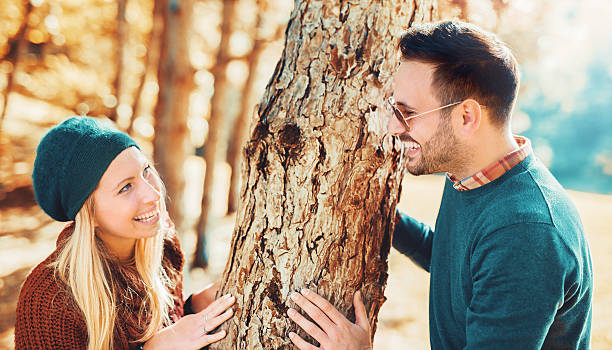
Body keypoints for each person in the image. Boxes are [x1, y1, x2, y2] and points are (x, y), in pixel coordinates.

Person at [287, 20, 593, 350]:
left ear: (466, 118)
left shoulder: (524, 233)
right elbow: (457, 264)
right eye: (395, 108)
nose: (392, 127)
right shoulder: (470, 174)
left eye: (407, 112)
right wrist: (377, 213)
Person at [15, 116, 236, 350]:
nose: (153, 194)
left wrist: (195, 307)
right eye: (125, 187)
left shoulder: (162, 242)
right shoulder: (48, 302)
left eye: (146, 170)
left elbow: (169, 330)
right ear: (89, 213)